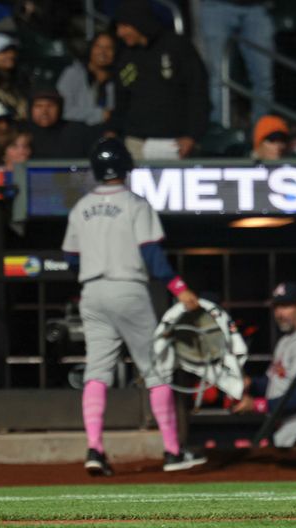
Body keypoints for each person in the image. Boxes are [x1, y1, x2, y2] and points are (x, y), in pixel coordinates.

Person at [61, 137, 206, 476]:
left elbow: (70, 258)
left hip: (92, 291)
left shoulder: (80, 208)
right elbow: (153, 257)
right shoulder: (135, 204)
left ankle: (95, 448)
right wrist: (179, 287)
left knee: (97, 371)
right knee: (156, 369)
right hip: (128, 288)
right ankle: (172, 452)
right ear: (125, 167)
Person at [232, 282, 296, 447]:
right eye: (276, 307)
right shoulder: (285, 341)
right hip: (285, 426)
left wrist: (258, 405)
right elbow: (273, 382)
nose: (279, 313)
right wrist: (249, 383)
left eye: (286, 306)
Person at [108, 0, 209, 161]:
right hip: (136, 142)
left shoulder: (178, 47)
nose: (120, 33)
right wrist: (112, 131)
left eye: (124, 26)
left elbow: (198, 93)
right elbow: (121, 100)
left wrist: (192, 135)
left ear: (139, 22)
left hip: (176, 142)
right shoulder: (125, 56)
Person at [199, 0, 274, 125]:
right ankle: (218, 131)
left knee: (264, 79)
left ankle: (262, 135)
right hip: (216, 7)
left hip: (257, 8)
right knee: (218, 78)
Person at [56, 31, 117, 126]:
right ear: (91, 48)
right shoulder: (73, 73)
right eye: (98, 46)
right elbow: (64, 110)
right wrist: (101, 114)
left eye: (109, 48)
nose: (103, 52)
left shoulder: (117, 79)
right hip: (76, 133)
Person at [27, 88, 100, 158]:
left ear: (60, 108)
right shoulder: (20, 133)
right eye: (39, 106)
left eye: (50, 106)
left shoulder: (78, 132)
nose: (44, 112)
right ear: (30, 109)